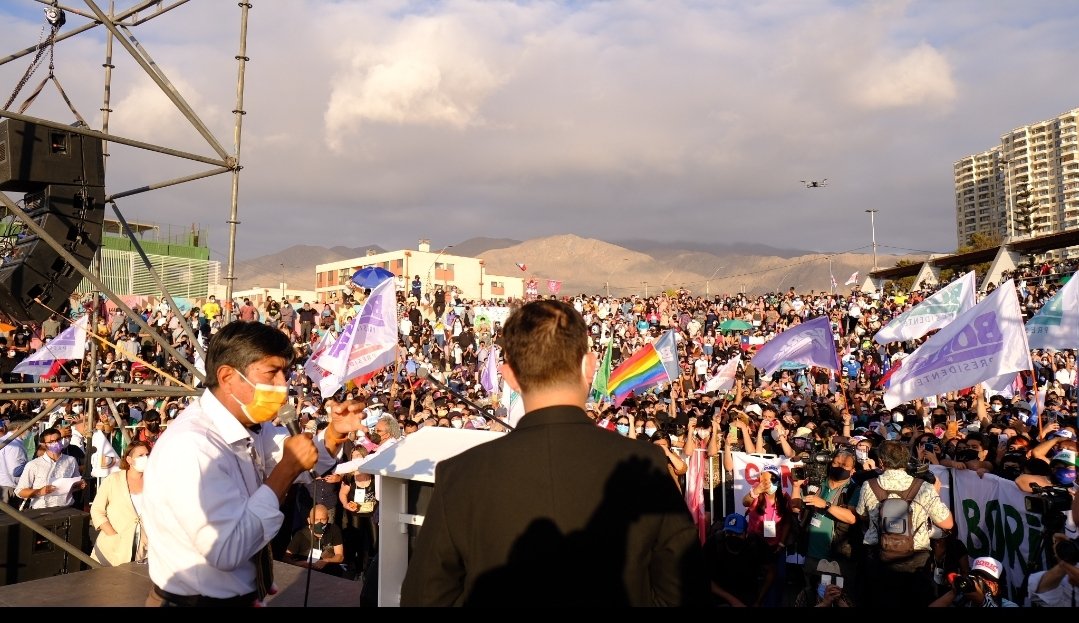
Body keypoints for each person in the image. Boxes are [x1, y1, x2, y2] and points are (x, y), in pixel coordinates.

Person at [400, 299, 708, 606]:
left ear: (508, 376)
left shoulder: (461, 474)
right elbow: (685, 591)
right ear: (589, 366)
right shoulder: (646, 466)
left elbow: (423, 597)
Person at [142, 321, 363, 607]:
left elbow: (302, 459)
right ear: (227, 377)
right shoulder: (193, 446)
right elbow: (226, 550)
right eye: (272, 373)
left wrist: (334, 433)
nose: (283, 386)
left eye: (286, 373)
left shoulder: (250, 427)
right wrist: (285, 471)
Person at [854, 439, 954, 608]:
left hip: (878, 556)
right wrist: (935, 494)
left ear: (881, 461)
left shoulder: (868, 485)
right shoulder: (924, 487)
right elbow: (947, 523)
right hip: (915, 559)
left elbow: (862, 515)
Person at [90, 442, 151, 566]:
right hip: (112, 549)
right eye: (141, 455)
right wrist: (112, 534)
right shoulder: (113, 479)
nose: (145, 458)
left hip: (143, 548)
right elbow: (97, 510)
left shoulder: (154, 481)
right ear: (129, 459)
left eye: (147, 454)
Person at [15, 427, 86, 509]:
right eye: (51, 442)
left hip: (66, 507)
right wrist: (40, 491)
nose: (56, 443)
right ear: (44, 444)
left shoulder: (71, 460)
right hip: (41, 509)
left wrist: (79, 485)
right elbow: (20, 491)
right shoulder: (34, 464)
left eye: (58, 439)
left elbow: (74, 485)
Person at [284, 503, 346, 577]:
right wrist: (298, 563)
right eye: (316, 520)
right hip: (306, 573)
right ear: (309, 520)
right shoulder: (300, 535)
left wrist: (325, 561)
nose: (319, 523)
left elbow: (340, 556)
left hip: (327, 572)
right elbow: (286, 558)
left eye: (323, 519)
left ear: (328, 519)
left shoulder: (333, 530)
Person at [929, 556, 1018, 607]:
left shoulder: (1009, 605)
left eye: (986, 581)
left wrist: (983, 602)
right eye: (976, 578)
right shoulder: (962, 601)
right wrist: (954, 591)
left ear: (997, 588)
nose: (980, 583)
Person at [0, 418, 28, 504]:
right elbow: (15, 471)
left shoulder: (4, 439)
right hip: (9, 488)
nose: (29, 432)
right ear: (19, 428)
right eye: (28, 429)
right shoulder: (14, 445)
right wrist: (31, 465)